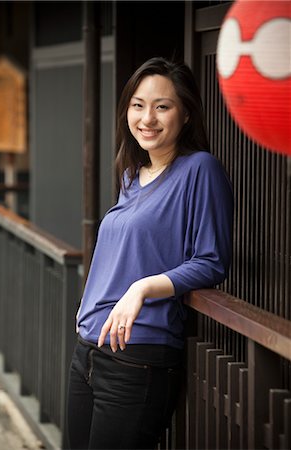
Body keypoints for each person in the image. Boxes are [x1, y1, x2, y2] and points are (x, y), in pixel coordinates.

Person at [66, 57, 233, 450]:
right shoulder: (131, 176)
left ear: (186, 113)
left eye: (163, 106)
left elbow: (211, 261)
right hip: (88, 351)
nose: (147, 118)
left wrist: (141, 288)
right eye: (138, 105)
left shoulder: (200, 170)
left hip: (138, 357)